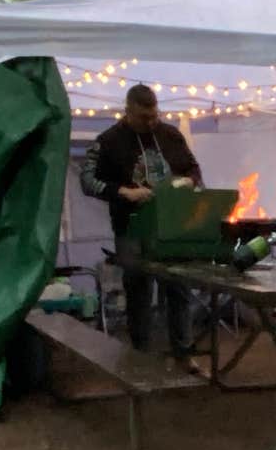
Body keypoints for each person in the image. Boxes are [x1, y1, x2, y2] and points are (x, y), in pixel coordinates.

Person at [80, 83, 204, 361]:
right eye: (143, 118)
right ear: (127, 112)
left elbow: (194, 169)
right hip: (131, 228)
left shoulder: (170, 135)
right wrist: (124, 192)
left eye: (154, 116)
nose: (150, 123)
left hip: (172, 228)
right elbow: (87, 181)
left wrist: (185, 181)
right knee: (138, 291)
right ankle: (141, 359)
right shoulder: (108, 141)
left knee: (179, 288)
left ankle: (184, 355)